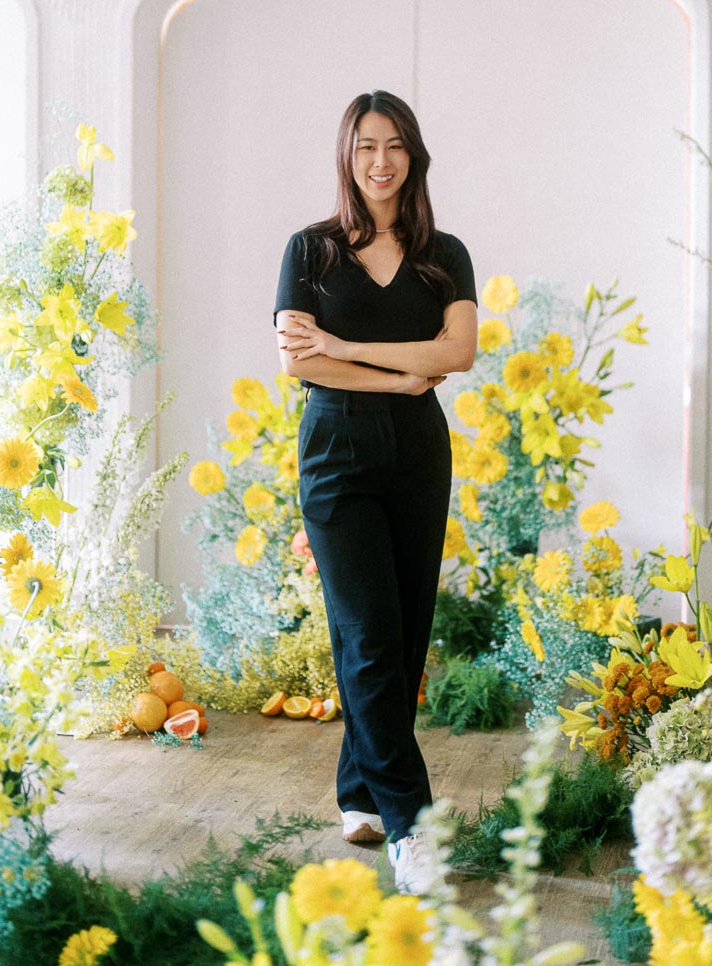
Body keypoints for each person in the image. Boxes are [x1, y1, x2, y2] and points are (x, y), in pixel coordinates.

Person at [273, 89, 477, 894]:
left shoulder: (444, 252)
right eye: (365, 147)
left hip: (420, 455)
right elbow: (299, 362)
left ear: (413, 156)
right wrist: (400, 377)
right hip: (336, 453)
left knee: (403, 636)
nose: (380, 162)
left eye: (394, 146)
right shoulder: (309, 249)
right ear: (346, 157)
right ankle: (409, 825)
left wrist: (345, 341)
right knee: (365, 634)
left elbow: (458, 350)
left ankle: (359, 790)